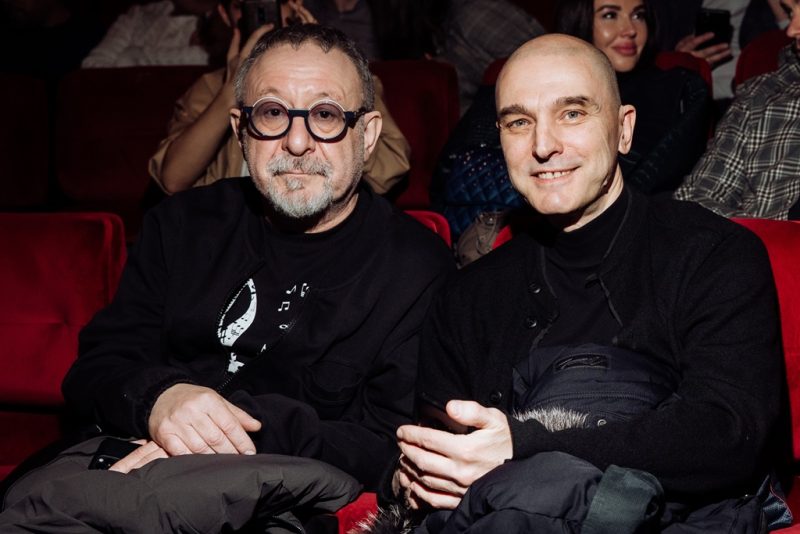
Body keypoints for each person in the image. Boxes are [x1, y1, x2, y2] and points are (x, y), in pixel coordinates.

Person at [0, 23, 453, 530]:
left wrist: (228, 431)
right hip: (120, 467)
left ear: (366, 136)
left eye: (325, 115)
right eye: (272, 113)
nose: (296, 142)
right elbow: (96, 368)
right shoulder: (182, 224)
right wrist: (161, 399)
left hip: (276, 498)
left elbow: (389, 444)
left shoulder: (416, 267)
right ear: (240, 130)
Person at [389, 33, 787, 532]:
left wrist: (522, 445)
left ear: (624, 130)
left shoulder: (713, 254)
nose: (543, 146)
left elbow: (727, 435)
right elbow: (432, 445)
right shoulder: (467, 294)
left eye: (572, 113)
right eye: (519, 122)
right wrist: (416, 474)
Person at [433, 0, 709, 243]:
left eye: (638, 15)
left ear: (625, 125)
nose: (629, 29)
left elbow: (656, 175)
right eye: (610, 15)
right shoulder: (519, 77)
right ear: (580, 19)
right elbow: (448, 168)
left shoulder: (678, 87)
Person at [148, 0, 410, 195]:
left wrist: (335, 66)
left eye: (275, 2)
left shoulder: (348, 81)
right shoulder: (209, 88)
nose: (264, 17)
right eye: (244, 6)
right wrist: (231, 92)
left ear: (297, 5)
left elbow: (390, 171)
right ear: (225, 15)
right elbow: (172, 180)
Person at [675, 0, 800, 220]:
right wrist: (776, 229)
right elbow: (695, 199)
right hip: (761, 237)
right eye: (790, 13)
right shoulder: (762, 94)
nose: (792, 29)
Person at [81, 0, 216, 67]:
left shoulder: (221, 26)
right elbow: (93, 66)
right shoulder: (140, 14)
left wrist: (132, 57)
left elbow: (206, 59)